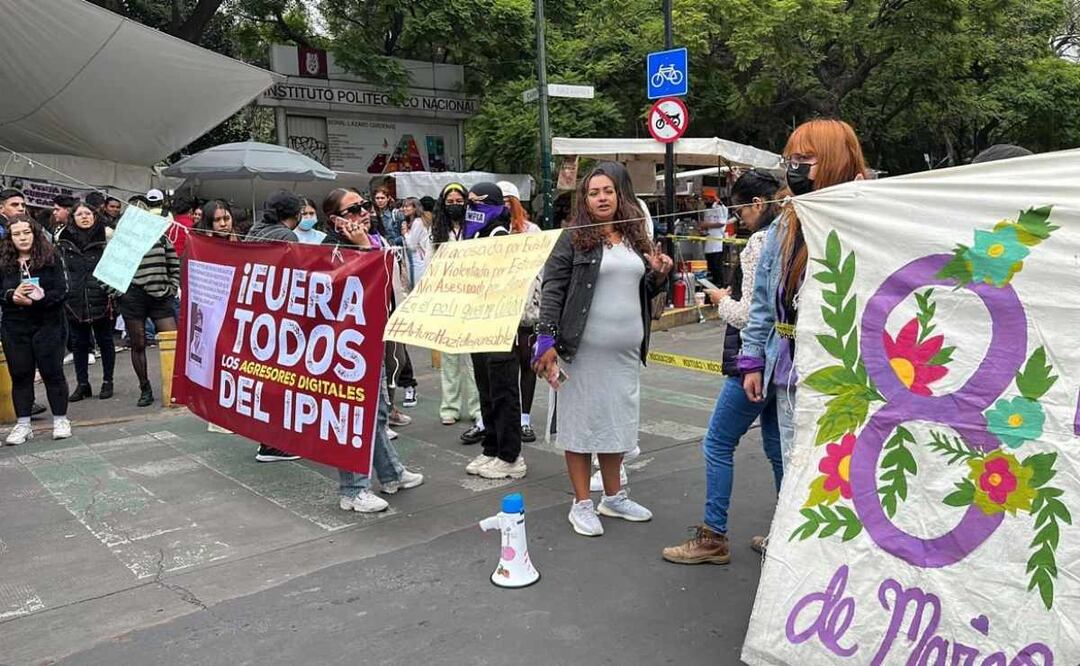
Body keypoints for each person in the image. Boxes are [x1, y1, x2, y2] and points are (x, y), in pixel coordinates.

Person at [533, 163, 673, 536]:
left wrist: (659, 273)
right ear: (585, 198)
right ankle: (581, 504)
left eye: (607, 191)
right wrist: (545, 339)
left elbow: (645, 290)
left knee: (616, 425)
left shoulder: (635, 237)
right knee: (580, 427)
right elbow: (553, 288)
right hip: (580, 353)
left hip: (624, 355)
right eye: (594, 192)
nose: (601, 198)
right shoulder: (573, 238)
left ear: (619, 194)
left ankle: (613, 497)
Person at [662, 169, 784, 564]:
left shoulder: (759, 243)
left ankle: (714, 535)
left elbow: (753, 314)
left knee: (717, 442)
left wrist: (719, 300)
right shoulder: (789, 235)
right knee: (776, 447)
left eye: (741, 209)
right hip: (782, 358)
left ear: (757, 204)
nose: (737, 219)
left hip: (753, 361)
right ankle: (788, 535)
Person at [740, 119, 868, 467]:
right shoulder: (784, 224)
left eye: (805, 160)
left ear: (835, 160)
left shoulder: (872, 216)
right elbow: (765, 302)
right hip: (790, 378)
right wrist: (752, 360)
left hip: (850, 380)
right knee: (797, 473)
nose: (794, 169)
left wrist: (857, 207)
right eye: (790, 160)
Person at [319, 188, 424, 511]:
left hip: (372, 338)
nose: (363, 212)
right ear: (335, 219)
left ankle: (391, 473)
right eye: (353, 210)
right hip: (344, 346)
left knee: (376, 411)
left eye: (364, 205)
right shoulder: (330, 249)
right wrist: (363, 248)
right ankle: (352, 489)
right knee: (350, 414)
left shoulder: (375, 240)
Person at [459, 182, 527, 480]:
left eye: (479, 202)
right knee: (486, 389)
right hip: (478, 323)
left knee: (503, 391)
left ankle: (511, 455)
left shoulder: (500, 235)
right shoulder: (471, 233)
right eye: (469, 202)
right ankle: (492, 447)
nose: (472, 208)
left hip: (499, 324)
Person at [242, 190, 304, 462]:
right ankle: (274, 444)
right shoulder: (287, 237)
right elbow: (299, 274)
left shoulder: (254, 232)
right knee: (282, 379)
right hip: (280, 316)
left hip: (257, 316)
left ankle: (268, 439)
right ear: (294, 214)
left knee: (266, 378)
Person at [0, 215, 71, 443]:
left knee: (53, 372)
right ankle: (23, 424)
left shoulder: (52, 256)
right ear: (10, 238)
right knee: (20, 374)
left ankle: (60, 419)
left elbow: (62, 290)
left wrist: (41, 298)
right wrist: (12, 296)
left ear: (35, 233)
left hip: (48, 323)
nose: (22, 238)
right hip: (15, 326)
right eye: (17, 234)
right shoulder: (3, 262)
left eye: (26, 233)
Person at [430, 183, 482, 433]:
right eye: (449, 200)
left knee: (473, 360)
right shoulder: (438, 232)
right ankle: (449, 408)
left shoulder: (476, 229)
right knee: (449, 358)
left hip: (473, 301)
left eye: (458, 200)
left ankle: (477, 409)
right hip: (447, 302)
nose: (454, 204)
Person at [117, 214, 180, 407]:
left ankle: (176, 389)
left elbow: (174, 264)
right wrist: (118, 292)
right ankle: (145, 388)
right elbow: (106, 271)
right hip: (132, 297)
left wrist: (172, 286)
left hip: (160, 295)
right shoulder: (121, 241)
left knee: (172, 340)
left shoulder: (161, 237)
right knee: (138, 343)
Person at [58, 202, 116, 402]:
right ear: (72, 217)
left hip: (101, 295)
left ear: (95, 215)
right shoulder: (63, 241)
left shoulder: (107, 238)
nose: (84, 217)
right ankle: (83, 385)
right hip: (74, 300)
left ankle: (108, 381)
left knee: (105, 340)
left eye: (88, 213)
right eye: (79, 214)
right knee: (78, 344)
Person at [498, 181, 542, 444]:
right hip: (497, 312)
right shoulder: (488, 233)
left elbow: (542, 272)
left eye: (507, 200)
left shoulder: (532, 231)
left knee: (527, 363)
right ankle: (495, 419)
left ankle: (524, 418)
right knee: (500, 368)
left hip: (526, 310)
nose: (503, 206)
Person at [699, 196, 730, 285]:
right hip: (709, 239)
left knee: (716, 265)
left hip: (717, 241)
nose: (705, 201)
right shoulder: (707, 210)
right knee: (710, 264)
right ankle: (713, 284)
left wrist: (706, 225)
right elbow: (706, 224)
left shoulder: (719, 208)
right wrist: (703, 229)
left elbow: (721, 223)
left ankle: (720, 284)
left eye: (706, 198)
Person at [401, 197, 431, 286]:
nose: (404, 209)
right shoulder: (413, 222)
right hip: (412, 261)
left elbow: (412, 246)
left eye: (407, 206)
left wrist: (405, 233)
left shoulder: (418, 222)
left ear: (415, 208)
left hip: (418, 261)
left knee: (417, 288)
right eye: (403, 206)